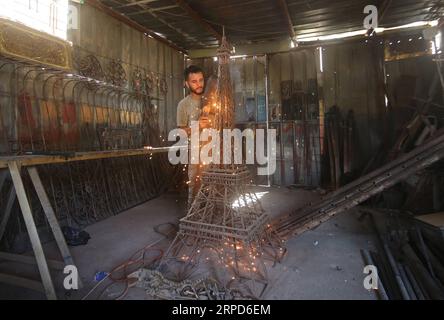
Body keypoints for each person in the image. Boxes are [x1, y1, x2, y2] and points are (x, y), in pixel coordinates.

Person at [177, 65, 210, 209]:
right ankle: (193, 214)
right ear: (187, 83)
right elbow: (181, 132)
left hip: (215, 150)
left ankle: (212, 213)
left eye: (201, 80)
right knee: (195, 185)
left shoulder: (211, 100)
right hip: (195, 152)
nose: (199, 84)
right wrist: (197, 126)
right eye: (194, 81)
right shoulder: (183, 105)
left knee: (214, 185)